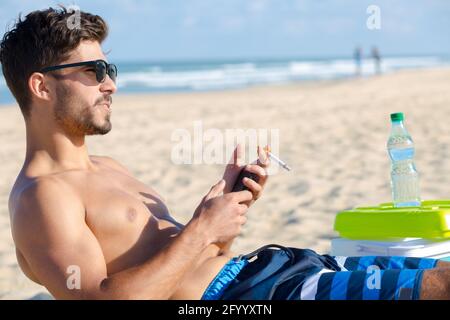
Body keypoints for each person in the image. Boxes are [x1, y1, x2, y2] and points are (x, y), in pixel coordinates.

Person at [2, 8, 449, 300]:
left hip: (270, 268)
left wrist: (225, 211)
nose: (111, 83)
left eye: (110, 69)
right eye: (93, 70)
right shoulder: (43, 197)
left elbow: (192, 259)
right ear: (41, 86)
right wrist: (201, 229)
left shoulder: (108, 168)